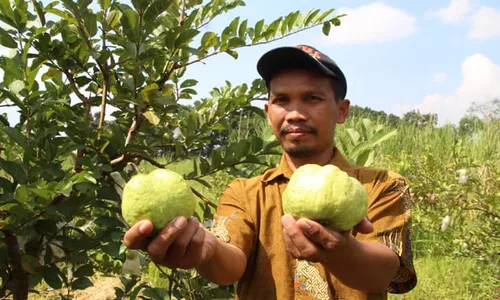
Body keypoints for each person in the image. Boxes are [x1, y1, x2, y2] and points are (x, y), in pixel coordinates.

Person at [124, 45, 417, 299]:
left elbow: (387, 272)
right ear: (268, 112)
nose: (295, 113)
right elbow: (231, 264)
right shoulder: (244, 192)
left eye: (312, 98)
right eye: (282, 100)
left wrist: (341, 250)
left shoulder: (383, 185)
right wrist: (204, 249)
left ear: (341, 111)